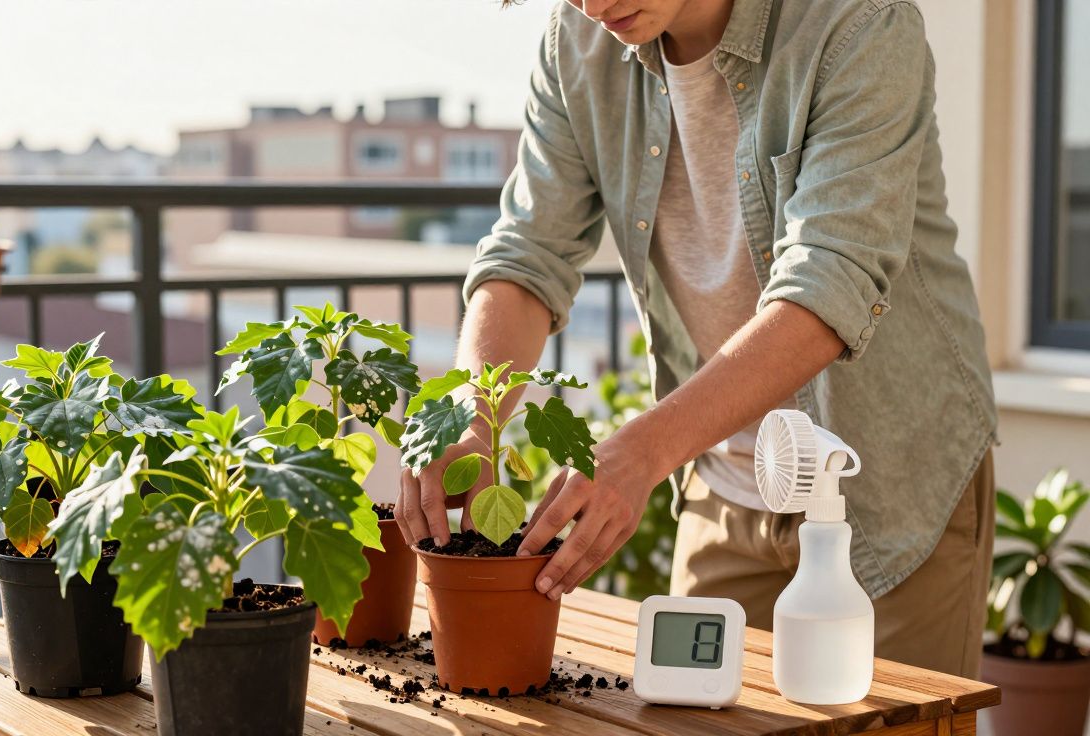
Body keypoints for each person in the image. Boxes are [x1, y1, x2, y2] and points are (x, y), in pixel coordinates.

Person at [395, 0, 996, 678]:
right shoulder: (577, 44)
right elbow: (529, 253)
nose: (595, 5)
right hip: (725, 479)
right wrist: (474, 417)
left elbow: (830, 284)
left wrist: (641, 451)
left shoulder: (860, 24)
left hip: (891, 487)